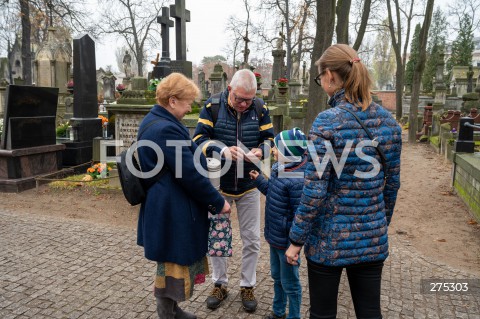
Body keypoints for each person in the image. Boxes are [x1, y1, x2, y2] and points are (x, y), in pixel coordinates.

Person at [285, 44, 402, 319]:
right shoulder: (389, 123)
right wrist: (376, 223)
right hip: (372, 237)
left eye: (319, 77)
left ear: (330, 76)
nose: (321, 82)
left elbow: (315, 189)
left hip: (328, 239)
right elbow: (393, 184)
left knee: (323, 314)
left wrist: (296, 239)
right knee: (370, 312)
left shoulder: (326, 123)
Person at [136, 72, 231, 319]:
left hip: (166, 203)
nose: (191, 107)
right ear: (173, 100)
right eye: (188, 101)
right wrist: (217, 202)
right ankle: (167, 314)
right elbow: (188, 173)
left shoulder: (153, 120)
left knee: (169, 262)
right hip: (170, 208)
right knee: (171, 263)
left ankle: (173, 310)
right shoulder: (165, 128)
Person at [193, 69, 275, 313]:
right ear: (229, 89)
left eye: (248, 100)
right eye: (239, 98)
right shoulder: (212, 107)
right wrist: (221, 150)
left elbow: (270, 139)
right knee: (218, 237)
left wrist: (262, 151)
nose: (243, 104)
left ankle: (247, 285)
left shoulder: (259, 108)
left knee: (251, 238)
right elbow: (198, 140)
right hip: (219, 185)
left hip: (249, 184)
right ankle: (220, 283)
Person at [249, 128, 307, 319]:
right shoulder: (278, 169)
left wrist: (295, 243)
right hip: (274, 237)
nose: (272, 150)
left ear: (288, 153)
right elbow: (273, 194)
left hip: (287, 242)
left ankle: (294, 315)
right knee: (277, 277)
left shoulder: (298, 180)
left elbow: (300, 215)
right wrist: (259, 181)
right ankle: (279, 311)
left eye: (277, 147)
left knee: (290, 283)